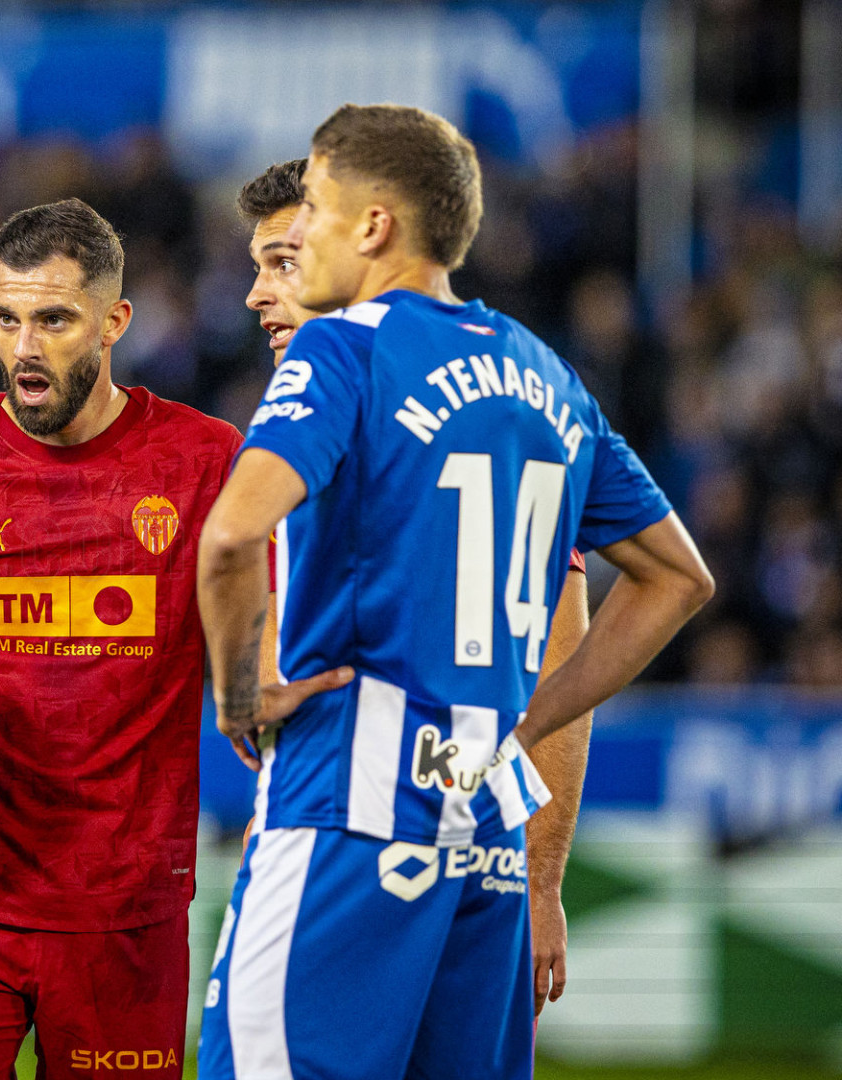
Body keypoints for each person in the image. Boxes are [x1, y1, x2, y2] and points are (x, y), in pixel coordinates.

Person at [195, 104, 714, 1079]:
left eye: (314, 218)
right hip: (487, 827)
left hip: (349, 803)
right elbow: (679, 577)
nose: (274, 276)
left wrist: (238, 696)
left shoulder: (344, 349)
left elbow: (228, 540)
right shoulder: (547, 376)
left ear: (373, 226)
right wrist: (529, 721)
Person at [0, 198, 348, 1079]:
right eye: (5, 318)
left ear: (115, 322)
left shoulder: (207, 464)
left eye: (53, 320)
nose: (23, 348)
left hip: (129, 918)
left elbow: (265, 643)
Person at [236, 155, 597, 1015]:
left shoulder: (359, 411)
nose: (256, 295)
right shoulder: (514, 400)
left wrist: (543, 875)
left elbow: (559, 651)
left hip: (354, 830)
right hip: (464, 835)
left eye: (283, 263)